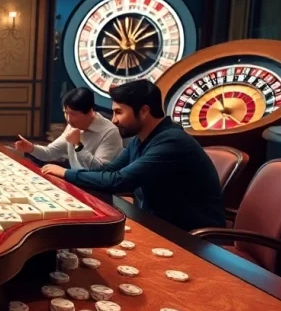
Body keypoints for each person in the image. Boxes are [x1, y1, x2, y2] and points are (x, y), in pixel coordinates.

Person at [60, 80, 225, 232]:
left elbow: (118, 180)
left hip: (191, 237)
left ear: (144, 111)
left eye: (119, 112)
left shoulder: (172, 141)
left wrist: (65, 173)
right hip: (156, 223)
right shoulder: (141, 139)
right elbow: (108, 169)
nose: (114, 120)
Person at [15, 87, 122, 173]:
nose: (68, 119)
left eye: (74, 114)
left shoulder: (109, 132)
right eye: (66, 113)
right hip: (75, 181)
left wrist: (78, 145)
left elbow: (99, 169)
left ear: (90, 112)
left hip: (97, 189)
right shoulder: (72, 126)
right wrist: (31, 148)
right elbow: (49, 153)